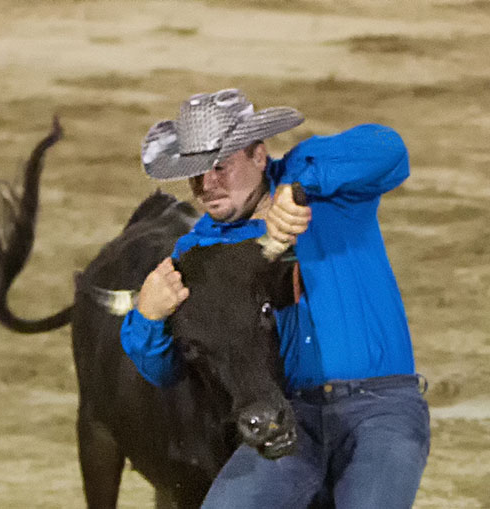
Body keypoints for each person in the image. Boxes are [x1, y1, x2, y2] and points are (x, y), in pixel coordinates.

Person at [120, 88, 430, 508]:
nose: (206, 186)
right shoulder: (195, 255)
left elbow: (389, 150)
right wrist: (148, 317)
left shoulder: (323, 185)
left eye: (220, 167)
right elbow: (169, 371)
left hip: (381, 409)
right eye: (195, 173)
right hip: (288, 417)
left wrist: (299, 186)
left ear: (258, 155)